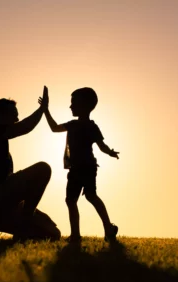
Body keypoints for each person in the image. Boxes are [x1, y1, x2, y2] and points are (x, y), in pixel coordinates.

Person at [0, 87, 61, 241]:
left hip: (3, 206)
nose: (17, 120)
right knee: (43, 169)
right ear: (0, 116)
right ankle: (22, 223)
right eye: (14, 115)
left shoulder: (3, 148)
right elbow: (25, 126)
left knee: (53, 233)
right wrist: (42, 109)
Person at [41, 86, 119, 243]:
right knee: (77, 199)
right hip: (79, 168)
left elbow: (101, 145)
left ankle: (102, 229)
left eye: (74, 103)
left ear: (84, 105)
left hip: (85, 168)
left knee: (81, 198)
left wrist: (110, 152)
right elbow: (54, 128)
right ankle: (82, 233)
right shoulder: (75, 125)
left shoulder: (89, 126)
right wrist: (45, 110)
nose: (70, 106)